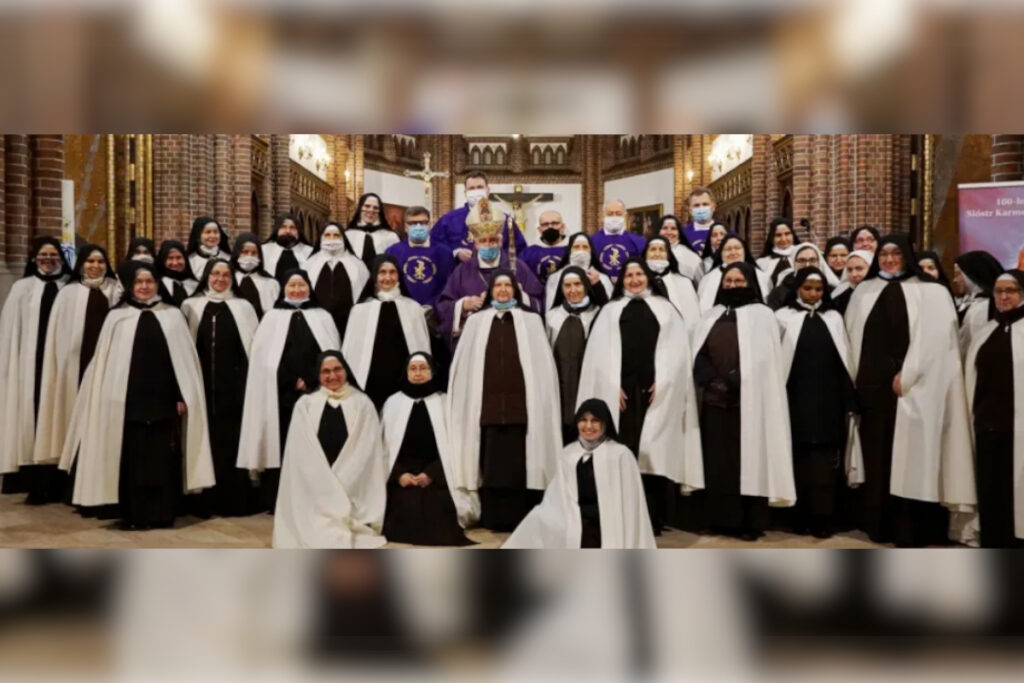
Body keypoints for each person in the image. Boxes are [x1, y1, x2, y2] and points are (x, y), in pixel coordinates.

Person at [58, 261, 214, 529]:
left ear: (157, 284)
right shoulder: (116, 317)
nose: (144, 287)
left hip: (163, 401)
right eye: (139, 282)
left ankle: (162, 514)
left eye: (149, 282)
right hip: (126, 402)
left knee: (161, 460)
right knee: (133, 459)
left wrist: (180, 395)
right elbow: (105, 364)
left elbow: (183, 362)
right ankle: (135, 515)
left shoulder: (173, 315)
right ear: (130, 285)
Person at [844, 234, 975, 546]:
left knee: (916, 460)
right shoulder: (864, 291)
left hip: (918, 392)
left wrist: (910, 373)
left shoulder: (932, 292)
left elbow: (939, 343)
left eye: (896, 253)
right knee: (878, 457)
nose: (890, 259)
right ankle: (879, 524)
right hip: (874, 392)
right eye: (884, 254)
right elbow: (851, 340)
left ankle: (913, 528)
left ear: (907, 255)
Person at [576, 258, 704, 533]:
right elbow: (598, 356)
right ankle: (621, 517)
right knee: (624, 453)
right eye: (629, 275)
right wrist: (611, 385)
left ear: (648, 277)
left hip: (655, 394)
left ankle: (652, 518)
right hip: (620, 396)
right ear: (621, 280)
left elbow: (678, 353)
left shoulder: (666, 309)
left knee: (653, 456)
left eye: (639, 275)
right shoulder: (610, 311)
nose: (634, 280)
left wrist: (666, 380)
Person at [446, 271, 561, 531]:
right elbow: (465, 365)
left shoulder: (531, 321)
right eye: (498, 285)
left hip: (521, 407)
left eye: (508, 285)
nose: (503, 290)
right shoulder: (475, 321)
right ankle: (493, 516)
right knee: (491, 464)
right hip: (486, 407)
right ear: (490, 291)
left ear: (516, 290)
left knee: (520, 464)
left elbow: (542, 367)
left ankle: (521, 516)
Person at [691, 262, 796, 541]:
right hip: (715, 400)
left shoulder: (763, 315)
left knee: (749, 462)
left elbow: (765, 358)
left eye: (739, 281)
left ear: (749, 283)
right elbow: (698, 352)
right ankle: (719, 519)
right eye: (728, 281)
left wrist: (739, 379)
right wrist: (711, 378)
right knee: (717, 463)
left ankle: (749, 522)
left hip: (750, 402)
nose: (733, 285)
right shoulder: (710, 315)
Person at [237, 270, 341, 510]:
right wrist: (292, 380)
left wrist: (311, 379)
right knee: (282, 445)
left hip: (317, 392)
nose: (296, 290)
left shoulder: (323, 317)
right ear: (283, 289)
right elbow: (264, 360)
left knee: (313, 446)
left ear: (309, 287)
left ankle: (313, 500)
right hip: (280, 395)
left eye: (301, 285)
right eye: (292, 286)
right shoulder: (271, 318)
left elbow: (331, 354)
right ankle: (278, 500)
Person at [503, 399, 656, 549]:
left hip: (609, 522)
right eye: (583, 420)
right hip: (575, 517)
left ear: (605, 424)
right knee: (536, 519)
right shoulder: (569, 453)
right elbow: (557, 494)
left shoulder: (620, 455)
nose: (588, 426)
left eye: (595, 421)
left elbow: (631, 505)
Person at [272, 351, 387, 549]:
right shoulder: (305, 404)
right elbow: (300, 451)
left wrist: (344, 476)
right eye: (326, 371)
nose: (332, 376)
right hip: (314, 483)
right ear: (318, 375)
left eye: (337, 370)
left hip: (353, 481)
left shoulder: (363, 403)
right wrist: (323, 479)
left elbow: (367, 449)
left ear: (346, 371)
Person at [775, 268, 859, 538]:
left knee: (825, 463)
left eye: (818, 289)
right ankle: (798, 517)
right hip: (795, 399)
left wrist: (848, 398)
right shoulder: (783, 317)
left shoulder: (833, 318)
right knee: (798, 459)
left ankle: (823, 518)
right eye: (808, 288)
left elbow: (844, 360)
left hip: (828, 402)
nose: (813, 294)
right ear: (797, 288)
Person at [33, 245, 120, 484]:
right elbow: (56, 336)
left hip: (107, 367)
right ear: (81, 264)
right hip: (74, 367)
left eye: (100, 261)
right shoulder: (67, 294)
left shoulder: (116, 290)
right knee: (71, 416)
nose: (95, 266)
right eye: (90, 261)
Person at [181, 260, 260, 517]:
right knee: (202, 441)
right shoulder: (191, 306)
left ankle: (233, 501)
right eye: (215, 274)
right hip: (201, 387)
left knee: (232, 442)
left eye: (226, 275)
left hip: (234, 389)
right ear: (206, 276)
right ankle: (203, 501)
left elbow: (252, 350)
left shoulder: (244, 307)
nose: (220, 279)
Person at [0, 237, 72, 501]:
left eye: (53, 255)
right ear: (34, 258)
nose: (48, 260)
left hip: (60, 365)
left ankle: (60, 482)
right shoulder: (22, 288)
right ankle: (34, 484)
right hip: (30, 366)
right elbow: (10, 332)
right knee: (31, 420)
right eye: (43, 255)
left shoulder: (68, 287)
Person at [381, 353, 474, 546]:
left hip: (437, 474)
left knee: (436, 508)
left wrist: (431, 474)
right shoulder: (393, 403)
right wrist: (400, 475)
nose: (418, 374)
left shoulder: (445, 402)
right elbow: (383, 448)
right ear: (406, 373)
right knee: (403, 506)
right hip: (403, 475)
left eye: (423, 369)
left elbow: (455, 448)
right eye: (413, 369)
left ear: (432, 372)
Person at [964, 270, 1024, 547]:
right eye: (999, 291)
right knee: (990, 486)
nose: (1003, 296)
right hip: (987, 424)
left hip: (1018, 426)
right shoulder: (985, 331)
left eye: (1010, 290)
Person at [436, 198, 544, 347]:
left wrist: (521, 296)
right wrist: (463, 305)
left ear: (501, 241)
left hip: (513, 338)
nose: (488, 245)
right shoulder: (463, 270)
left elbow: (539, 301)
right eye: (483, 241)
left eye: (493, 240)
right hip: (475, 341)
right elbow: (443, 306)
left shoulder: (518, 267)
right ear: (476, 244)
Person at [342, 255, 430, 410]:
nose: (387, 277)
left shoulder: (413, 308)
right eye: (382, 272)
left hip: (405, 381)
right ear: (374, 276)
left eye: (392, 272)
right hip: (371, 381)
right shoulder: (359, 310)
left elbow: (422, 348)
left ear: (399, 276)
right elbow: (351, 352)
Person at [546, 267, 602, 444]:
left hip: (589, 383)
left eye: (578, 284)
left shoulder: (598, 313)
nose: (573, 290)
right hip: (560, 385)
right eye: (567, 285)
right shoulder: (551, 317)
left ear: (586, 286)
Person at [430, 170, 526, 261]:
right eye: (471, 188)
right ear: (465, 193)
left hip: (497, 271)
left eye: (480, 187)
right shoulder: (449, 220)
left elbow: (519, 250)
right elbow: (435, 246)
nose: (476, 191)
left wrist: (498, 254)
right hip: (462, 270)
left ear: (488, 190)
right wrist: (456, 253)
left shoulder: (504, 219)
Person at [303, 222, 370, 336]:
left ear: (343, 238)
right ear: (321, 238)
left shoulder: (357, 265)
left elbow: (365, 296)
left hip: (349, 323)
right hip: (317, 323)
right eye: (327, 235)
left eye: (336, 235)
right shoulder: (309, 264)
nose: (332, 239)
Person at [386, 205, 455, 308]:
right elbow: (389, 282)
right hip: (402, 307)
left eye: (423, 223)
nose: (418, 227)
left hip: (435, 310)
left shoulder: (444, 252)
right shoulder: (393, 251)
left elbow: (449, 284)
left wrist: (432, 305)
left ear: (429, 225)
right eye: (413, 223)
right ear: (405, 227)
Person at [696, 235, 773, 312]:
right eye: (728, 249)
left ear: (744, 251)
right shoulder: (709, 279)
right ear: (721, 253)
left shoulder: (761, 276)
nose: (733, 253)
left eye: (737, 248)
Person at [643, 236, 701, 333]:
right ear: (645, 254)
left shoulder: (684, 282)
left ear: (668, 255)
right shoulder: (637, 282)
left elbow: (693, 318)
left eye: (661, 250)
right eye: (653, 249)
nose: (657, 254)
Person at [543, 232, 613, 311]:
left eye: (585, 247)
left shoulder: (602, 278)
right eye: (576, 247)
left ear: (591, 251)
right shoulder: (555, 277)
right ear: (570, 251)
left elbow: (609, 310)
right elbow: (550, 309)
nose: (581, 251)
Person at [955, 251, 1004, 353]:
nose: (955, 280)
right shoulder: (969, 302)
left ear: (971, 276)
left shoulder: (983, 307)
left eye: (958, 274)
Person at [765, 242, 838, 309]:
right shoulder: (779, 293)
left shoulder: (830, 291)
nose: (807, 265)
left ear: (819, 262)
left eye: (812, 260)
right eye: (802, 260)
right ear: (793, 263)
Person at [590, 199, 646, 281]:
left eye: (618, 214)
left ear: (625, 215)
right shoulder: (591, 241)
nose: (614, 217)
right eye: (609, 214)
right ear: (602, 216)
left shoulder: (639, 241)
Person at [230, 232, 280, 318]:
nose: (250, 256)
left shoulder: (270, 282)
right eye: (245, 252)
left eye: (254, 253)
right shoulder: (228, 279)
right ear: (237, 253)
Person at [344, 192, 401, 266]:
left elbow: (396, 262)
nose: (371, 210)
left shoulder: (390, 236)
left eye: (375, 208)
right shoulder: (348, 235)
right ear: (360, 208)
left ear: (380, 211)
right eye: (367, 206)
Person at [520, 210, 568, 284]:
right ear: (539, 229)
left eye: (554, 223)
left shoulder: (572, 250)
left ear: (562, 227)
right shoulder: (528, 254)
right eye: (545, 224)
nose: (550, 227)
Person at [262, 213, 314, 280]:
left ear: (298, 231)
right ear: (277, 230)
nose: (288, 231)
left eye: (292, 228)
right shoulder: (264, 250)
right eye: (283, 227)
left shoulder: (309, 251)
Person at [656, 215, 703, 283]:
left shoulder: (691, 257)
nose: (669, 232)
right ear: (658, 231)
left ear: (679, 233)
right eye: (665, 228)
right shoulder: (649, 253)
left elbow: (702, 284)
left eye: (673, 228)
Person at [756, 218, 798, 287]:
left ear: (793, 235)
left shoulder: (803, 258)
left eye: (787, 234)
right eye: (778, 235)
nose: (783, 239)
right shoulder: (762, 263)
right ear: (772, 238)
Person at [829, 250, 873, 315]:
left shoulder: (882, 293)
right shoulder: (840, 297)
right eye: (849, 270)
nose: (853, 274)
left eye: (859, 269)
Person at [156, 240, 198, 306]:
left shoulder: (196, 285)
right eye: (170, 258)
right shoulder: (156, 285)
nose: (175, 263)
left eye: (179, 257)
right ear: (163, 260)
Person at [681, 187, 717, 252]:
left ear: (713, 207)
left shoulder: (725, 232)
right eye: (696, 205)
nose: (701, 208)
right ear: (690, 210)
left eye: (705, 204)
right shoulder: (682, 235)